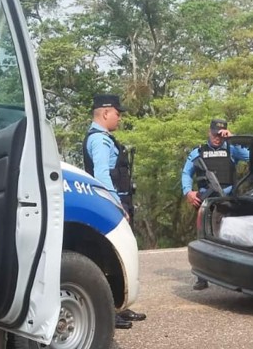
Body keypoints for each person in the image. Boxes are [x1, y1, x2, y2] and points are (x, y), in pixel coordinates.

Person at [82, 94, 146, 329]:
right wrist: (116, 205)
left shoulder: (103, 138)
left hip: (115, 202)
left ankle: (120, 306)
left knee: (118, 257)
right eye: (117, 113)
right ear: (106, 112)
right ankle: (110, 312)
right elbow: (102, 175)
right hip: (112, 204)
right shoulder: (100, 140)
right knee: (110, 257)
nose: (119, 118)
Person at [182, 118, 249, 290]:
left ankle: (232, 277)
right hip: (206, 200)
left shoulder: (232, 149)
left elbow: (250, 157)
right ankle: (202, 277)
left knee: (231, 238)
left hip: (227, 200)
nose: (217, 138)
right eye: (214, 134)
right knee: (204, 237)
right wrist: (188, 192)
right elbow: (186, 173)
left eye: (220, 135)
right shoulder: (198, 151)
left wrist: (233, 139)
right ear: (209, 132)